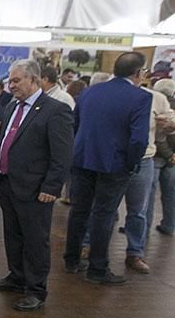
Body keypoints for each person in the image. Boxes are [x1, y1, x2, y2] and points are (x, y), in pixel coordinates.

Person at [0, 59, 72, 310]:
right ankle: (17, 276)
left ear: (34, 80)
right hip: (7, 183)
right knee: (13, 235)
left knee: (35, 240)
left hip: (35, 189)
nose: (10, 85)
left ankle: (36, 289)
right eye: (10, 81)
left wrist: (51, 187)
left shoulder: (56, 110)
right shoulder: (13, 107)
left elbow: (62, 154)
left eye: (16, 80)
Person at [62, 52, 151, 284]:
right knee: (104, 214)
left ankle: (71, 260)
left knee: (79, 211)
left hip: (82, 159)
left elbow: (75, 125)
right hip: (115, 164)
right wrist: (132, 163)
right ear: (138, 73)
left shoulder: (89, 91)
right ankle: (97, 269)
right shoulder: (140, 97)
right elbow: (139, 139)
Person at [118, 81, 175, 273]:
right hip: (116, 158)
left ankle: (135, 252)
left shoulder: (156, 98)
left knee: (139, 210)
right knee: (104, 207)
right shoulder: (111, 94)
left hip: (144, 159)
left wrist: (168, 125)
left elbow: (168, 125)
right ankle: (90, 245)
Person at [153, 79, 175, 236]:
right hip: (173, 158)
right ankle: (169, 224)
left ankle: (143, 230)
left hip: (156, 157)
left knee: (147, 195)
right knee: (170, 194)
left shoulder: (157, 105)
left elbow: (158, 138)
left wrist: (169, 154)